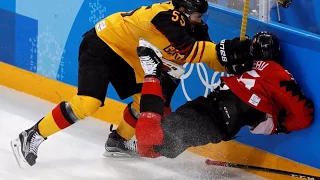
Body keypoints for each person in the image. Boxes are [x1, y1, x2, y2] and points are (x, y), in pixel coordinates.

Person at [10, 0, 253, 168]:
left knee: (143, 99)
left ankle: (118, 140)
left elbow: (209, 56)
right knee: (88, 104)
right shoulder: (165, 17)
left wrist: (233, 63)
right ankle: (32, 135)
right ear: (182, 11)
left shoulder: (192, 25)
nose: (201, 21)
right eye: (198, 15)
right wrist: (226, 50)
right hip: (103, 44)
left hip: (128, 54)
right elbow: (191, 51)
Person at [134, 31, 314, 158]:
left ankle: (168, 81)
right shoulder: (278, 73)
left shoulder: (247, 64)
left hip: (209, 105)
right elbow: (304, 116)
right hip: (217, 120)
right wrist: (281, 126)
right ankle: (154, 73)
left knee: (154, 144)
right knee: (151, 142)